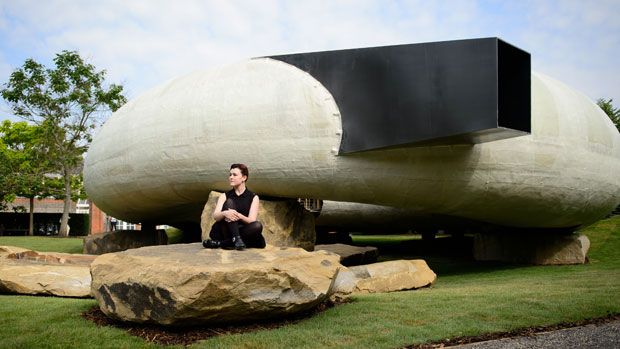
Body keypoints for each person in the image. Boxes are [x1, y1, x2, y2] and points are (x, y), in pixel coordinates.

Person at [203, 163, 266, 250]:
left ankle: (221, 243)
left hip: (243, 231)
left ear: (244, 178)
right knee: (229, 202)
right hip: (226, 229)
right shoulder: (224, 196)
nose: (231, 177)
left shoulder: (253, 197)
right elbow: (216, 216)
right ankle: (236, 239)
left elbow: (251, 220)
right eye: (230, 175)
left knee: (257, 226)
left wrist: (238, 216)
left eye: (234, 175)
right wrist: (225, 213)